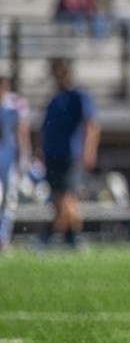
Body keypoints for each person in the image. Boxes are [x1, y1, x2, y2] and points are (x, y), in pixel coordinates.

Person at [37, 58, 99, 249]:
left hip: (68, 154)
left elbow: (92, 125)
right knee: (60, 197)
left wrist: (88, 151)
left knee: (66, 196)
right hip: (52, 153)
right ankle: (72, 236)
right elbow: (45, 129)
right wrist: (39, 150)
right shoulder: (54, 99)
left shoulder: (79, 96)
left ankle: (51, 236)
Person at [0, 75, 32, 254]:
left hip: (10, 156)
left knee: (10, 198)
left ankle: (3, 237)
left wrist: (24, 158)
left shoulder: (16, 103)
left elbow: (22, 131)